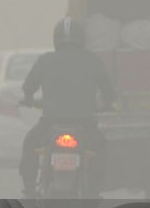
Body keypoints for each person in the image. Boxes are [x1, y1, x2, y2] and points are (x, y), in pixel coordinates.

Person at [19, 18, 116, 198]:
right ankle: (94, 190)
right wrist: (109, 103)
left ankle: (30, 186)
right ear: (81, 38)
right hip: (85, 125)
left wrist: (28, 99)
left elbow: (28, 87)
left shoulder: (45, 60)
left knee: (30, 143)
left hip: (50, 124)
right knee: (100, 146)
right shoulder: (92, 60)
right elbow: (108, 89)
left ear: (56, 39)